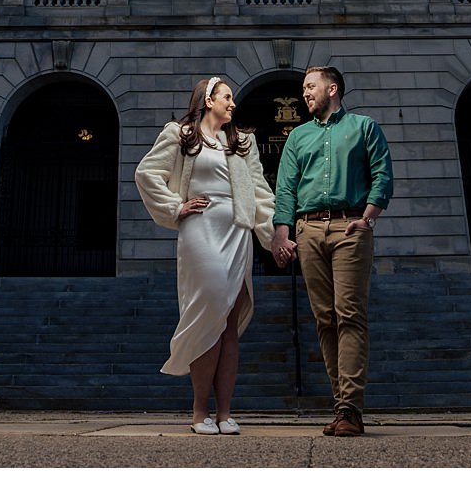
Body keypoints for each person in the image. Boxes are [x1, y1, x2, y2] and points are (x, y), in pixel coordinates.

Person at [135, 76, 278, 435]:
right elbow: (147, 172)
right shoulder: (180, 134)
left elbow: (260, 193)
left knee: (227, 323)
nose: (233, 103)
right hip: (200, 227)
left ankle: (225, 412)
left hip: (237, 231)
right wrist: (176, 206)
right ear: (208, 99)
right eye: (226, 97)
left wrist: (275, 236)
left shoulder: (244, 143)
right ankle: (200, 412)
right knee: (208, 310)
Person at [270, 64, 394, 437]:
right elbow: (286, 187)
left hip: (350, 226)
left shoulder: (364, 128)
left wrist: (368, 218)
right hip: (308, 230)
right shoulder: (298, 137)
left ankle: (350, 409)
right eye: (304, 88)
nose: (305, 93)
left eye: (311, 87)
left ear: (333, 89)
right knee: (324, 318)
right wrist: (282, 233)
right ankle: (342, 403)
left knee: (349, 314)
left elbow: (382, 174)